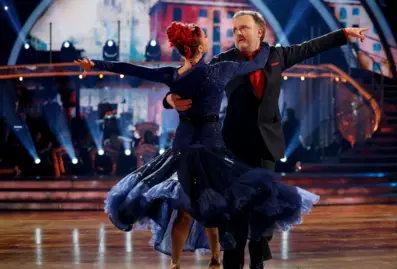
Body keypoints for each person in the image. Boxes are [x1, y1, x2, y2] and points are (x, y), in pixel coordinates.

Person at [74, 21, 319, 269]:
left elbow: (133, 69)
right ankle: (209, 258)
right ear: (199, 45)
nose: (206, 37)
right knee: (213, 203)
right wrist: (264, 45)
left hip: (185, 147)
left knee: (193, 205)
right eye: (203, 35)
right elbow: (256, 63)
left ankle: (194, 260)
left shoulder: (173, 74)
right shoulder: (220, 69)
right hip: (210, 147)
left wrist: (96, 64)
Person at [163, 11, 368, 269]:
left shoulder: (277, 56)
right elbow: (192, 82)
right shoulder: (224, 61)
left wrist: (343, 34)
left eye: (244, 28)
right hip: (233, 149)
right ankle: (232, 264)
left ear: (259, 31)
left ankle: (258, 261)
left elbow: (311, 47)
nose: (238, 33)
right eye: (235, 29)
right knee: (234, 212)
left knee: (263, 210)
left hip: (267, 147)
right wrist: (169, 100)